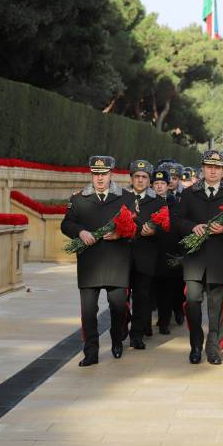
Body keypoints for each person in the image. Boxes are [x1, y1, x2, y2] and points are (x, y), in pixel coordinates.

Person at [61, 156, 136, 366]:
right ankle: (91, 352)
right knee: (88, 311)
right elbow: (66, 224)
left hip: (116, 261)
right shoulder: (78, 199)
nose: (99, 178)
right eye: (96, 174)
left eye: (103, 174)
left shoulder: (126, 197)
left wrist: (120, 233)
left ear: (111, 174)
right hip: (89, 262)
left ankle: (116, 339)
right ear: (91, 175)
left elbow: (134, 227)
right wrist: (80, 231)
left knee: (119, 306)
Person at [174, 150, 223, 365]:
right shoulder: (189, 193)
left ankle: (213, 348)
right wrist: (192, 227)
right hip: (194, 258)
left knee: (216, 307)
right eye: (208, 167)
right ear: (202, 168)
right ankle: (196, 343)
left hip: (220, 258)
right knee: (192, 301)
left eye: (217, 167)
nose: (212, 171)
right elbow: (176, 220)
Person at [127, 160, 166, 348]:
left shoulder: (158, 201)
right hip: (123, 256)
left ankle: (137, 334)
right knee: (119, 298)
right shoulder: (122, 198)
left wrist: (155, 231)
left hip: (145, 256)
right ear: (131, 178)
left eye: (144, 177)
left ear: (149, 180)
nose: (140, 180)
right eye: (137, 177)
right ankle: (119, 331)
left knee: (142, 297)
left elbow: (165, 227)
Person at [151, 169, 184, 334]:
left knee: (170, 289)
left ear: (167, 185)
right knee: (156, 289)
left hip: (171, 252)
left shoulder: (175, 204)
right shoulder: (148, 203)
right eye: (156, 184)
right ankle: (161, 318)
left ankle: (166, 319)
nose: (159, 187)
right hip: (152, 252)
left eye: (162, 183)